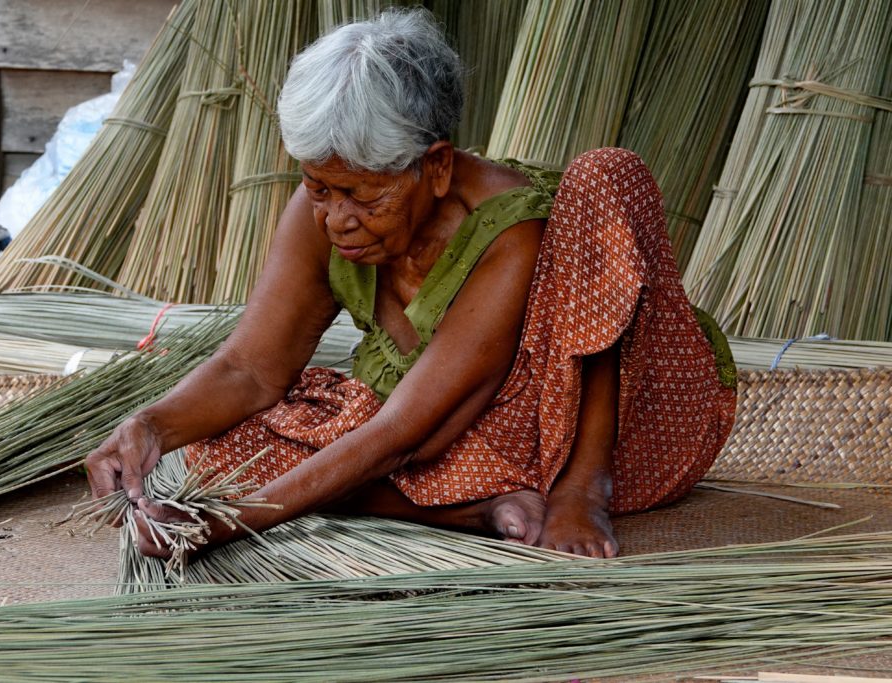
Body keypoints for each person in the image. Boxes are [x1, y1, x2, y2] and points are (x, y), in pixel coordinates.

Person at [85, 9, 736, 560]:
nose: (338, 218)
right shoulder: (324, 211)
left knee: (606, 175)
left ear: (437, 166)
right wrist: (150, 425)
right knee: (210, 455)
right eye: (319, 188)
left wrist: (230, 521)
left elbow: (404, 432)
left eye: (364, 196)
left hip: (546, 428)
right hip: (431, 443)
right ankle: (477, 513)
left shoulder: (510, 230)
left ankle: (573, 487)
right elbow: (250, 370)